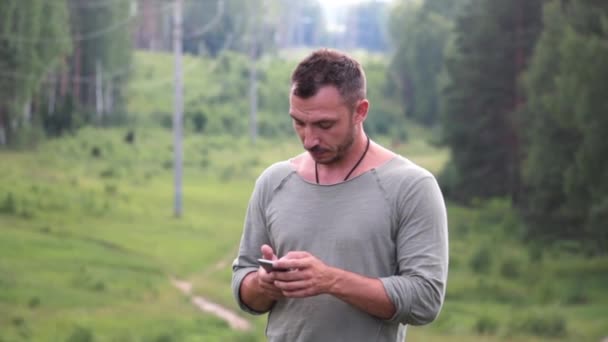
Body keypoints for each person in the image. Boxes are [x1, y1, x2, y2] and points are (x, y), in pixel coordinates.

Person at [231, 48, 448, 342]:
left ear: (360, 111)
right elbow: (243, 285)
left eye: (324, 125)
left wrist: (330, 280)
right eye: (299, 122)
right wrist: (263, 283)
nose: (309, 139)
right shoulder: (274, 182)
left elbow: (425, 299)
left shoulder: (411, 186)